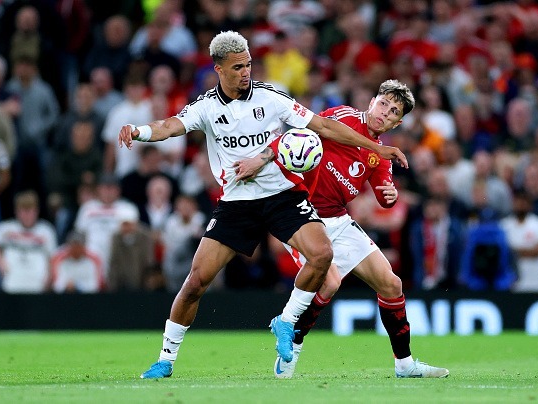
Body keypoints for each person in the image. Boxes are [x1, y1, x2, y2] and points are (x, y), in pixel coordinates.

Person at [117, 31, 408, 379]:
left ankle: (286, 323)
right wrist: (139, 131)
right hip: (237, 202)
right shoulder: (206, 107)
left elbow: (323, 126)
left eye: (249, 64)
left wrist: (378, 149)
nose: (246, 72)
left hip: (281, 196)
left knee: (322, 255)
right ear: (219, 69)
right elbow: (168, 126)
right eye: (238, 67)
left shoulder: (272, 97)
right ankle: (165, 359)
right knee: (196, 282)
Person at [240, 79, 448, 378]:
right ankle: (292, 348)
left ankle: (404, 364)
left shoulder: (380, 154)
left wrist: (389, 195)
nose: (384, 113)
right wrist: (261, 159)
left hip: (338, 219)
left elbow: (382, 188)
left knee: (392, 285)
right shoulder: (345, 117)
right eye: (383, 104)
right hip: (301, 214)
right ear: (373, 100)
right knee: (330, 282)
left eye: (393, 112)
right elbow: (299, 133)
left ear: (398, 122)